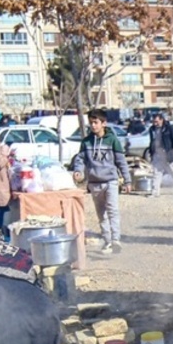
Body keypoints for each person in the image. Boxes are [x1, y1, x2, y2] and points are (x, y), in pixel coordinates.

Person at [73, 109, 131, 255]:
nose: (93, 126)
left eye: (96, 122)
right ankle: (107, 241)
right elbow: (80, 159)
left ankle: (116, 239)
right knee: (101, 214)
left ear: (103, 123)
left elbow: (121, 162)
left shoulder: (113, 140)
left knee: (113, 211)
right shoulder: (86, 142)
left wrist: (127, 180)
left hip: (111, 181)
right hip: (94, 182)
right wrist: (78, 170)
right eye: (91, 123)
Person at [146, 114, 173, 197]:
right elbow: (151, 141)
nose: (155, 123)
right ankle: (155, 192)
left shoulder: (169, 128)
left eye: (156, 121)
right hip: (157, 154)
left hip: (168, 154)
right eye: (153, 122)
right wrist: (151, 152)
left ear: (161, 120)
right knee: (156, 173)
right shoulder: (152, 129)